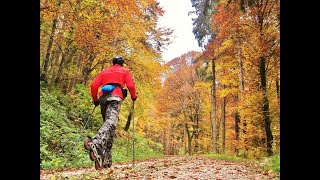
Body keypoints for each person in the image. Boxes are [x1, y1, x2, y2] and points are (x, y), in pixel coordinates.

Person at [84, 56, 137, 170]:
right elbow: (131, 85)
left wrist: (95, 100)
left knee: (109, 127)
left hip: (103, 99)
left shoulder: (104, 71)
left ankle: (106, 158)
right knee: (110, 123)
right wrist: (133, 96)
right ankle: (97, 142)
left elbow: (94, 85)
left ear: (113, 63)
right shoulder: (125, 71)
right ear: (122, 63)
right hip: (115, 98)